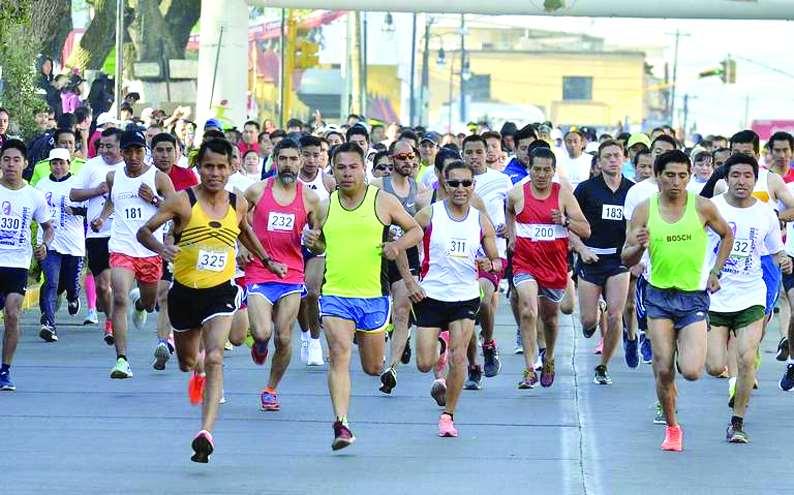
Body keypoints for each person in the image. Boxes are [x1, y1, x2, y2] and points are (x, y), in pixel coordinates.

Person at [137, 138, 276, 463]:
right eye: (209, 166)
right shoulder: (182, 201)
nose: (215, 173)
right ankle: (196, 369)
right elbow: (145, 231)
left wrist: (267, 260)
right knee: (188, 362)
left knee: (215, 356)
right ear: (199, 167)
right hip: (185, 292)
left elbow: (244, 231)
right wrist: (162, 249)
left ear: (231, 168)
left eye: (221, 167)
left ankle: (205, 433)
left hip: (220, 291)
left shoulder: (238, 202)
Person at [302, 142, 422, 451]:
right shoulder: (325, 206)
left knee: (372, 367)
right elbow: (321, 245)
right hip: (336, 294)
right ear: (333, 170)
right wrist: (312, 241)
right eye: (340, 167)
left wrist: (396, 246)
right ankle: (341, 424)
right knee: (339, 353)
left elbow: (416, 231)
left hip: (373, 296)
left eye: (353, 167)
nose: (347, 173)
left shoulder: (382, 201)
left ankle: (388, 349)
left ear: (363, 168)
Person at [623, 149, 733, 452]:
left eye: (682, 176)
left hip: (693, 297)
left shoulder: (702, 207)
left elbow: (727, 235)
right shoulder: (645, 210)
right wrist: (638, 247)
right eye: (669, 175)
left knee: (693, 371)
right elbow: (626, 257)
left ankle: (681, 359)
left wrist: (716, 271)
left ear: (689, 176)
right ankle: (672, 428)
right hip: (658, 295)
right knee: (663, 369)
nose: (676, 182)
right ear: (657, 176)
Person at [406, 160, 501, 437]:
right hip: (431, 295)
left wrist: (490, 264)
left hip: (465, 296)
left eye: (466, 183)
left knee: (460, 357)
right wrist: (410, 281)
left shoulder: (480, 220)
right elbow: (401, 245)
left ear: (473, 186)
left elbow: (497, 260)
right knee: (424, 363)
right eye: (454, 183)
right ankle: (440, 349)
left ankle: (448, 416)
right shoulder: (429, 215)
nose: (461, 188)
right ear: (444, 185)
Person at [703, 153, 789, 443]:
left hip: (751, 293)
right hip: (716, 295)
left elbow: (775, 250)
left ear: (755, 179)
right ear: (726, 179)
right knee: (715, 366)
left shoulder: (765, 213)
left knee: (747, 358)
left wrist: (784, 260)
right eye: (736, 175)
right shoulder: (711, 208)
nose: (742, 181)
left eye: (747, 176)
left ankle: (737, 422)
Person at [90, 128, 176, 379]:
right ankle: (122, 360)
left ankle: (141, 304)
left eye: (138, 151)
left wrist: (154, 200)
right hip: (122, 247)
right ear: (122, 152)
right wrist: (102, 218)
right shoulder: (113, 176)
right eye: (129, 151)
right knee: (119, 298)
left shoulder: (159, 178)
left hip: (150, 250)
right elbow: (112, 200)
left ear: (144, 152)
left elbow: (177, 209)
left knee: (149, 303)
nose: (134, 156)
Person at [245, 139, 321, 411]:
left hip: (291, 273)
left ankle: (270, 389)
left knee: (284, 337)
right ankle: (259, 345)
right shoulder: (257, 191)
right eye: (283, 159)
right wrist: (243, 246)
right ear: (275, 160)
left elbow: (320, 242)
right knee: (262, 332)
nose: (288, 164)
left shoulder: (310, 198)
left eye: (293, 159)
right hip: (259, 270)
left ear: (300, 161)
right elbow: (236, 221)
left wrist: (315, 240)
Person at [507, 147, 589, 388]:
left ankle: (549, 357)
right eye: (537, 169)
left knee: (550, 318)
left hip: (554, 266)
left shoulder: (563, 195)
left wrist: (565, 221)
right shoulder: (517, 193)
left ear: (553, 171)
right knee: (528, 311)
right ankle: (529, 368)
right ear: (529, 169)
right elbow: (509, 210)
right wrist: (512, 234)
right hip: (525, 263)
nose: (541, 175)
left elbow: (586, 230)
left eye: (546, 170)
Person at [572, 140, 636, 383]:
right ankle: (594, 313)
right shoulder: (586, 189)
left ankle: (603, 366)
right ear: (598, 162)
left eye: (616, 155)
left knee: (616, 315)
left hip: (619, 260)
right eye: (607, 156)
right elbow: (569, 224)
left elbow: (641, 225)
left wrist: (636, 254)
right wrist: (581, 249)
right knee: (588, 322)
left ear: (624, 159)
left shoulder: (632, 191)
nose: (612, 160)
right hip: (591, 258)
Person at [373, 140, 429, 394]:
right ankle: (391, 341)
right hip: (379, 254)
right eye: (401, 157)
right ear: (392, 159)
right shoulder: (377, 186)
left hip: (409, 255)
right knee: (380, 311)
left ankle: (391, 368)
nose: (407, 161)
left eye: (410, 157)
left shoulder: (421, 191)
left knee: (402, 309)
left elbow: (423, 227)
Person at [0, 139, 54, 391]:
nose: (11, 165)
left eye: (16, 160)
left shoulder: (34, 196)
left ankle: (5, 370)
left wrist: (44, 244)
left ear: (25, 163)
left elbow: (48, 228)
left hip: (17, 264)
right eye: (6, 159)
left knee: (12, 314)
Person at [461, 135, 512, 388]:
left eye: (478, 152)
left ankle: (489, 343)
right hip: (461, 257)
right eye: (469, 152)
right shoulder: (453, 181)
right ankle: (473, 366)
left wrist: (510, 229)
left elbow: (514, 210)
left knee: (482, 299)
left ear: (487, 154)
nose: (474, 156)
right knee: (465, 315)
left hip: (492, 253)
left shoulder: (501, 180)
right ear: (462, 154)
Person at [70, 127, 125, 345]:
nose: (104, 150)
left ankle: (114, 321)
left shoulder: (130, 167)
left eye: (109, 146)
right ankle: (110, 318)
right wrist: (97, 190)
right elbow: (73, 194)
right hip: (97, 234)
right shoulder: (91, 166)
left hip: (123, 233)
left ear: (121, 147)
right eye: (102, 146)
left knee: (117, 284)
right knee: (102, 286)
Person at [149, 132, 198, 370]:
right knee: (153, 296)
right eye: (159, 150)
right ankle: (141, 304)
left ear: (178, 152)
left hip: (176, 242)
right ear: (151, 152)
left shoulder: (187, 176)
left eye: (169, 150)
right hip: (145, 243)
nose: (165, 155)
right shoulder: (143, 175)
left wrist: (155, 201)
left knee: (166, 294)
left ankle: (165, 342)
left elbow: (189, 211)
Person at [34, 148, 86, 342]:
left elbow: (90, 209)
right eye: (54, 163)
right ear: (49, 165)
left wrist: (76, 211)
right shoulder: (41, 185)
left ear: (69, 164)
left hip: (73, 243)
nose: (58, 167)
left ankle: (73, 296)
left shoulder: (78, 184)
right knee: (51, 281)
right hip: (49, 242)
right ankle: (48, 323)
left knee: (70, 284)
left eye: (62, 163)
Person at [297, 134, 336, 365]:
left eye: (316, 155)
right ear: (299, 156)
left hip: (318, 245)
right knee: (298, 296)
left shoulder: (328, 182)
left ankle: (314, 341)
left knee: (312, 292)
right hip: (291, 245)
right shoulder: (289, 180)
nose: (312, 160)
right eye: (307, 155)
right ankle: (304, 334)